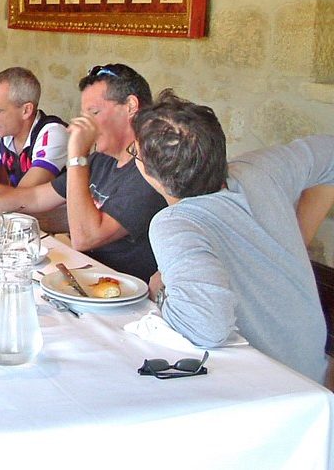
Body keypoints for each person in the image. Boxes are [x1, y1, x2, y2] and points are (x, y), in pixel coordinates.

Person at [131, 89, 332, 382]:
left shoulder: (174, 223)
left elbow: (206, 328)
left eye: (134, 152)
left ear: (151, 173)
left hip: (270, 388)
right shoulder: (260, 169)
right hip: (309, 370)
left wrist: (161, 291)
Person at [0, 63, 166, 282]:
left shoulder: (149, 171)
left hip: (121, 292)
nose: (82, 125)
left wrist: (77, 157)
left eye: (94, 112)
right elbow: (32, 197)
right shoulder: (102, 160)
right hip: (83, 276)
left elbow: (85, 238)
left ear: (130, 106)